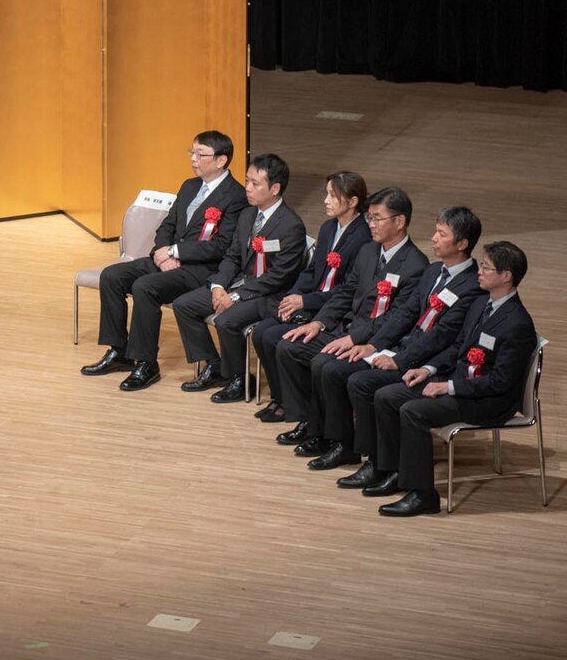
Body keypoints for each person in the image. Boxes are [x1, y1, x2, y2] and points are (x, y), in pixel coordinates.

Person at [374, 240, 539, 516]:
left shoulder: (517, 324)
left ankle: (423, 494)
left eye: (486, 268)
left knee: (414, 412)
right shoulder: (479, 305)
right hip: (458, 383)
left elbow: (500, 382)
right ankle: (396, 472)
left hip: (487, 401)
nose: (480, 272)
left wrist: (448, 386)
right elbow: (456, 348)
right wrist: (428, 370)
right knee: (387, 396)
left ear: (506, 276)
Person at [330, 207, 486, 490]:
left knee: (363, 384)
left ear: (462, 244)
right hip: (405, 349)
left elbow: (441, 336)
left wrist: (400, 361)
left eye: (442, 234)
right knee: (347, 372)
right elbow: (406, 314)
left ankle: (381, 463)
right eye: (436, 231)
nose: (434, 239)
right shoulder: (433, 272)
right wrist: (374, 345)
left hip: (434, 362)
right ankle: (376, 459)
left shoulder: (472, 286)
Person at [80, 130, 247, 391]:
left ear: (221, 160)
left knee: (145, 287)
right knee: (112, 276)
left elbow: (221, 246)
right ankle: (119, 352)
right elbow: (167, 225)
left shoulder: (235, 196)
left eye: (200, 154)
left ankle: (146, 363)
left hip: (200, 269)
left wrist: (175, 253)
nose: (193, 159)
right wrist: (161, 251)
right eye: (191, 152)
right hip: (167, 259)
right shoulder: (189, 186)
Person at [273, 187, 430, 457]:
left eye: (377, 218)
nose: (370, 224)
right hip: (344, 329)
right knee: (290, 346)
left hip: (375, 342)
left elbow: (398, 318)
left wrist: (357, 338)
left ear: (400, 221)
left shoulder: (415, 264)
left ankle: (341, 442)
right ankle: (312, 422)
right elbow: (346, 292)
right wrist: (319, 323)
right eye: (368, 217)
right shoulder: (368, 251)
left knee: (327, 366)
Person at [169, 152, 308, 402]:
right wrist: (219, 286)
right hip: (238, 284)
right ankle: (216, 365)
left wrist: (235, 295)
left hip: (268, 294)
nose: (248, 188)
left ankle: (240, 378)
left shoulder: (291, 225)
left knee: (226, 320)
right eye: (247, 181)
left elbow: (279, 277)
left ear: (275, 188)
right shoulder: (247, 215)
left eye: (255, 184)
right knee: (184, 305)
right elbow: (232, 256)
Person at [252, 171, 372, 422]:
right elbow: (312, 271)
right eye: (326, 194)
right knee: (262, 332)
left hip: (332, 308)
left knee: (276, 337)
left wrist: (306, 301)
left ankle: (297, 404)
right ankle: (280, 396)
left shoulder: (363, 236)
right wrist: (294, 296)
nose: (325, 200)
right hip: (312, 300)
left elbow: (348, 289)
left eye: (332, 195)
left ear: (352, 202)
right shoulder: (329, 227)